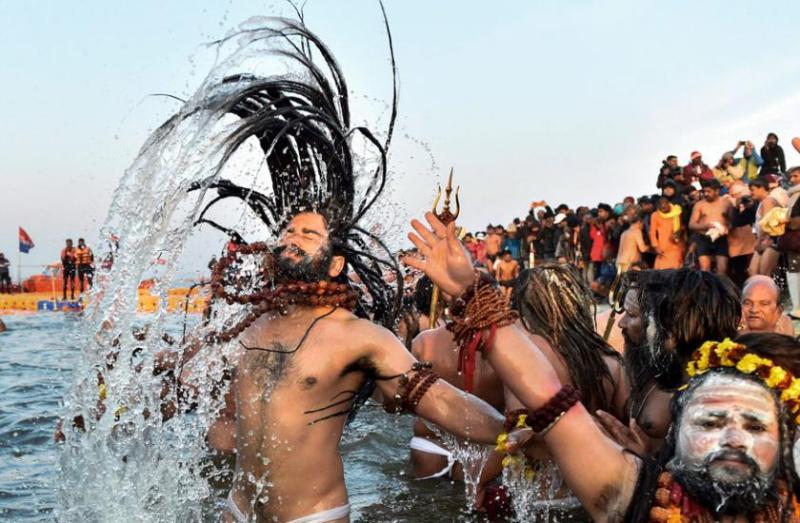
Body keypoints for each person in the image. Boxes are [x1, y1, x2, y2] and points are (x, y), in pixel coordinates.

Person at [169, 22, 512, 523]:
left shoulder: (360, 338)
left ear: (336, 263)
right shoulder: (249, 326)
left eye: (306, 235)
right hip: (237, 511)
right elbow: (188, 389)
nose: (290, 238)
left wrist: (515, 431)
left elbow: (441, 402)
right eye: (287, 232)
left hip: (311, 515)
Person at [406, 217, 800, 523]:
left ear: (787, 437)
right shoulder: (634, 496)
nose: (732, 437)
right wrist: (473, 292)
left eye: (754, 425)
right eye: (709, 423)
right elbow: (549, 400)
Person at [689, 179, 733, 274]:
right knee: (705, 269)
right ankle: (706, 288)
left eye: (709, 191)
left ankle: (720, 288)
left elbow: (732, 221)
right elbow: (691, 224)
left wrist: (726, 228)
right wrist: (705, 226)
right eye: (704, 191)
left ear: (717, 191)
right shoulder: (699, 205)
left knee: (722, 269)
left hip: (721, 238)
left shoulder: (726, 203)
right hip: (703, 238)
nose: (706, 194)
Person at [749, 177, 783, 277]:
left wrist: (759, 241)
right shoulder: (762, 202)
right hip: (765, 239)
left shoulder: (768, 201)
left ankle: (769, 292)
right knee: (753, 271)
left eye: (753, 190)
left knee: (765, 273)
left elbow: (766, 224)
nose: (751, 193)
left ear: (762, 188)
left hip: (771, 240)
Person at [782, 166, 800, 316]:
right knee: (794, 272)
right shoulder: (792, 195)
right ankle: (797, 308)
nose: (792, 179)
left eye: (796, 176)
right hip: (794, 241)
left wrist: (789, 221)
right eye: (791, 177)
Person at [649, 196, 685, 269]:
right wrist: (655, 246)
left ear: (668, 203)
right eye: (660, 207)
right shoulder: (655, 215)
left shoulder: (677, 211)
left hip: (677, 248)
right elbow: (652, 232)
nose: (662, 207)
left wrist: (678, 232)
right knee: (660, 273)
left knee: (675, 273)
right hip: (662, 249)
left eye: (664, 205)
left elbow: (683, 226)